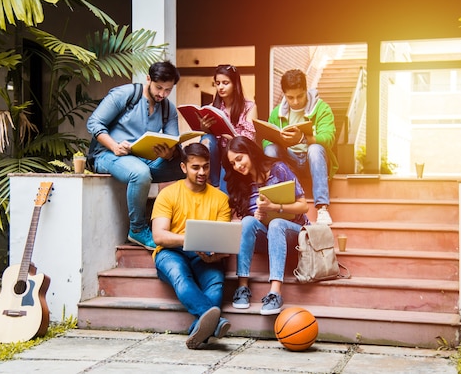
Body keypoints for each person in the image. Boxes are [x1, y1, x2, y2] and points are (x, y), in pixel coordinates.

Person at [86, 61, 185, 251]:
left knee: (187, 165)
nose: (162, 94)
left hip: (144, 158)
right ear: (148, 79)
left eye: (167, 90)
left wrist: (169, 154)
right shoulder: (125, 94)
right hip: (108, 155)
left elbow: (174, 142)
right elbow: (94, 123)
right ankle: (137, 229)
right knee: (140, 173)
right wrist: (114, 146)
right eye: (158, 88)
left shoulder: (168, 108)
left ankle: (176, 224)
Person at [151, 143, 232, 349]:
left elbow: (221, 239)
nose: (202, 172)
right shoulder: (168, 194)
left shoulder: (220, 198)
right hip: (171, 252)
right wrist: (188, 240)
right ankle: (217, 322)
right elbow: (159, 236)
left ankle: (198, 329)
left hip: (204, 254)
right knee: (180, 275)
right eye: (196, 167)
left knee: (216, 284)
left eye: (206, 166)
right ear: (183, 167)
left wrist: (216, 256)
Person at [222, 136, 309, 315]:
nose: (237, 166)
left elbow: (304, 206)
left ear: (250, 152)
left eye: (239, 159)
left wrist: (274, 207)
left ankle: (275, 293)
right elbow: (251, 224)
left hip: (294, 234)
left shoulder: (278, 169)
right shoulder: (242, 183)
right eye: (233, 163)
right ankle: (243, 288)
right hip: (268, 237)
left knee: (277, 224)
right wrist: (258, 216)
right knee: (247, 221)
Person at [262, 69, 338, 226]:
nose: (295, 101)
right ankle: (275, 204)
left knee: (315, 148)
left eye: (299, 96)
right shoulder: (277, 112)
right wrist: (278, 139)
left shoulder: (322, 108)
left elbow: (329, 138)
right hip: (291, 162)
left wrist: (303, 138)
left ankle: (322, 207)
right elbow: (265, 141)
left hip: (314, 160)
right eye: (290, 97)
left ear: (306, 90)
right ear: (284, 94)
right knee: (270, 150)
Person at [200, 64, 257, 191]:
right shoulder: (213, 107)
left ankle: (220, 190)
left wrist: (232, 137)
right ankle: (213, 183)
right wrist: (205, 128)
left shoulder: (249, 107)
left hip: (235, 156)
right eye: (217, 83)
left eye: (225, 83)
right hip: (217, 154)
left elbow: (250, 139)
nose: (220, 87)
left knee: (229, 153)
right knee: (207, 138)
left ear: (235, 84)